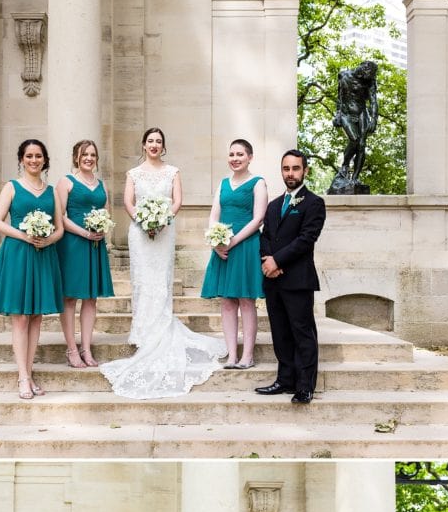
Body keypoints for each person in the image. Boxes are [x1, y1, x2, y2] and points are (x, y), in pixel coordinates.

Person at [100, 127, 226, 398]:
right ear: (143, 145)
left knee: (161, 280)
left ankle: (160, 329)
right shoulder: (133, 174)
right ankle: (143, 333)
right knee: (143, 281)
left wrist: (161, 219)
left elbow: (178, 201)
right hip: (140, 232)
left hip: (165, 230)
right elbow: (127, 201)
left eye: (158, 141)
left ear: (163, 146)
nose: (154, 145)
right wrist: (143, 221)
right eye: (150, 141)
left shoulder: (173, 172)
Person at [0, 138, 64, 399]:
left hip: (44, 255)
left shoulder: (51, 191)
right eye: (29, 156)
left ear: (44, 160)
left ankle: (29, 373)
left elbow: (60, 228)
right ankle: (23, 377)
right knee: (19, 317)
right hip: (18, 254)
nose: (34, 160)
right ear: (21, 159)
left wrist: (48, 239)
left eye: (38, 156)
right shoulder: (11, 187)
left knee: (37, 317)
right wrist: (24, 235)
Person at [256, 149, 326, 404]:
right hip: (273, 280)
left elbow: (306, 239)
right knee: (280, 332)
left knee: (302, 332)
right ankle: (285, 380)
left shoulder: (314, 203)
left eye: (296, 168)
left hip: (298, 279)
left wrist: (278, 260)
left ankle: (305, 386)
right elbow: (264, 236)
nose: (291, 173)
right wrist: (267, 261)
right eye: (286, 169)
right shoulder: (274, 205)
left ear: (305, 171)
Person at [200, 139, 268, 369]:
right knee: (227, 303)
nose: (235, 158)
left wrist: (234, 241)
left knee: (246, 301)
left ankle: (247, 355)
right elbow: (213, 217)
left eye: (240, 154)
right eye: (231, 154)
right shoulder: (223, 184)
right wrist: (216, 243)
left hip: (246, 246)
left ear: (250, 157)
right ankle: (231, 354)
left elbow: (258, 218)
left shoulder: (258, 183)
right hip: (222, 249)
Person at [56, 139, 115, 368]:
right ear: (76, 158)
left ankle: (87, 349)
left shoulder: (101, 184)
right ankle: (71, 350)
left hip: (95, 245)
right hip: (73, 244)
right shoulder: (67, 182)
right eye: (84, 154)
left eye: (92, 154)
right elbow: (60, 216)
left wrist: (102, 228)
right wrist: (84, 232)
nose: (89, 158)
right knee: (70, 297)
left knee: (91, 298)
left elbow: (106, 213)